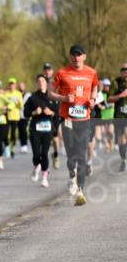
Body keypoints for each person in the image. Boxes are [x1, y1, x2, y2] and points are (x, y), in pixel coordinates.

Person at [48, 44, 99, 206]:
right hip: (68, 119)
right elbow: (50, 93)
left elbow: (95, 87)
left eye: (79, 54)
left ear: (84, 56)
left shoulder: (92, 72)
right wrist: (64, 99)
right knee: (71, 154)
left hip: (84, 119)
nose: (76, 58)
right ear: (70, 56)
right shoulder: (62, 73)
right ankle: (72, 175)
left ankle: (81, 191)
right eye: (74, 54)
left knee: (81, 154)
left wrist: (93, 99)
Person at [24, 74, 56, 187]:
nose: (41, 83)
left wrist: (51, 112)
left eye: (43, 81)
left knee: (44, 153)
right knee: (36, 154)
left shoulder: (52, 97)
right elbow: (25, 113)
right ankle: (36, 166)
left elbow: (58, 113)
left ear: (46, 83)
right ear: (36, 84)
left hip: (48, 129)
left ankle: (44, 178)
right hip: (35, 130)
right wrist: (34, 112)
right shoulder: (32, 98)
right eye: (39, 81)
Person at [43, 62, 62, 169]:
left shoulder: (56, 81)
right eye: (45, 69)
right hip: (44, 112)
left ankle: (56, 155)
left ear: (52, 71)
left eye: (49, 69)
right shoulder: (41, 81)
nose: (47, 71)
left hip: (55, 112)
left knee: (55, 138)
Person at [111, 63, 127, 172]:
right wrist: (121, 96)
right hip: (119, 115)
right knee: (121, 139)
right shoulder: (116, 83)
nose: (126, 71)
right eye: (123, 69)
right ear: (120, 72)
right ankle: (123, 160)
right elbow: (109, 99)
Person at [4, 78, 22, 158]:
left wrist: (18, 102)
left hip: (15, 116)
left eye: (13, 84)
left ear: (15, 85)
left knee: (13, 133)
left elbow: (21, 106)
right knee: (6, 132)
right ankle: (7, 146)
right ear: (8, 85)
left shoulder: (18, 94)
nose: (11, 86)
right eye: (10, 84)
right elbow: (3, 103)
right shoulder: (5, 94)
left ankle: (12, 148)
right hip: (7, 116)